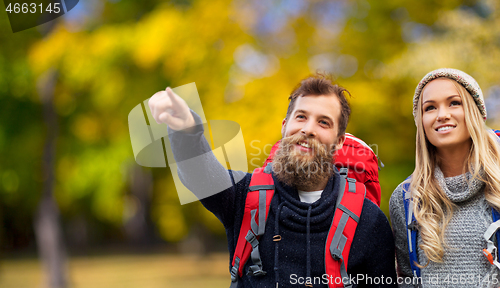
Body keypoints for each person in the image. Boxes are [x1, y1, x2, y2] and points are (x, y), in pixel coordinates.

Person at [150, 73, 397, 287]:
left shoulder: (368, 219)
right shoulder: (245, 196)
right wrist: (186, 130)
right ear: (284, 125)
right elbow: (202, 176)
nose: (308, 129)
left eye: (323, 122)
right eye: (301, 117)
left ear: (339, 141)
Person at [390, 68, 500, 288]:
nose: (442, 115)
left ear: (475, 111)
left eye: (454, 103)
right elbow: (408, 282)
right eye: (430, 108)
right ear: (421, 121)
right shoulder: (406, 199)